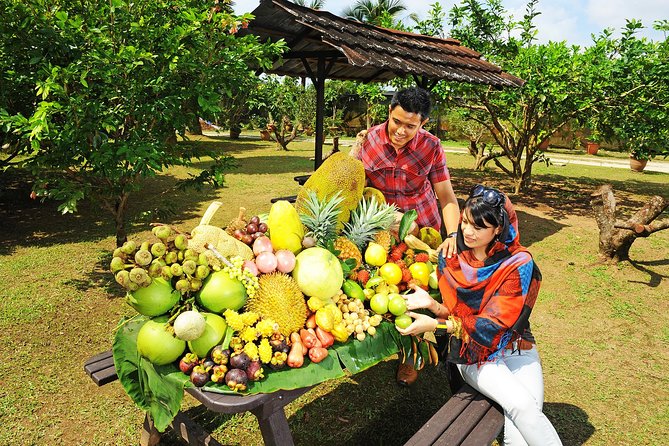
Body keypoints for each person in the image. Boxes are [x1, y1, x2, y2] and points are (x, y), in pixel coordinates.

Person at [397, 185, 562, 446]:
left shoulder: (519, 263)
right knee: (523, 407)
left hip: (516, 346)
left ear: (498, 229)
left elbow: (494, 326)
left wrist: (437, 325)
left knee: (521, 424)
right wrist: (431, 304)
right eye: (465, 222)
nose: (468, 232)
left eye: (479, 227)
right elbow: (453, 314)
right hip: (472, 354)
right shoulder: (450, 258)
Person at [352, 87, 460, 386]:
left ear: (422, 123)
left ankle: (410, 357)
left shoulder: (432, 147)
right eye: (396, 121)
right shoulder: (368, 141)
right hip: (383, 230)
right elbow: (354, 187)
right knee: (385, 289)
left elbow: (446, 195)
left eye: (410, 126)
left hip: (423, 231)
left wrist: (453, 234)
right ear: (390, 111)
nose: (400, 131)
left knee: (420, 292)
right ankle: (380, 343)